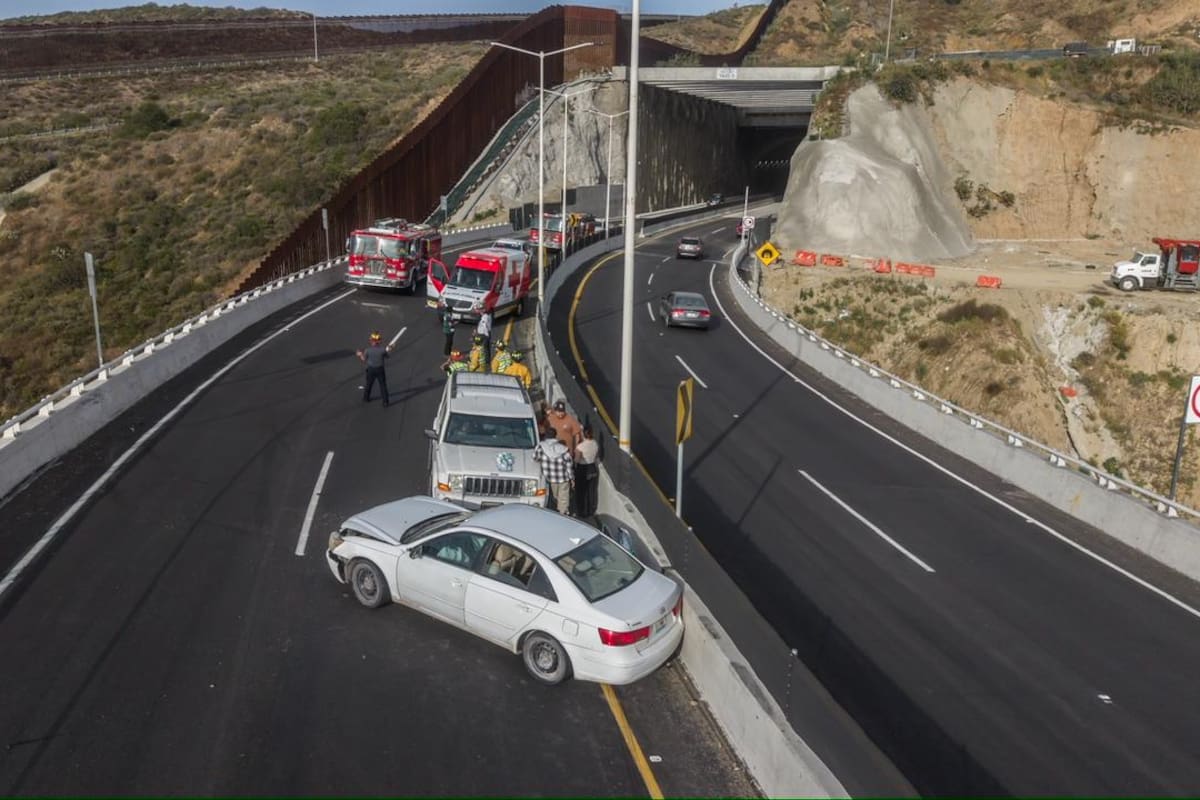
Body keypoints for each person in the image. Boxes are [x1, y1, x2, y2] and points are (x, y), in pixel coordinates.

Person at [533, 428, 574, 515]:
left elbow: (535, 458)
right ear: (555, 436)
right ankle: (563, 514)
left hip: (548, 478)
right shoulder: (564, 449)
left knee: (551, 497)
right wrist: (572, 478)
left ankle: (552, 513)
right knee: (563, 498)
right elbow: (569, 466)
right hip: (563, 478)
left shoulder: (540, 447)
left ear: (546, 436)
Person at [357, 331, 393, 406]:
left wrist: (360, 355)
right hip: (380, 369)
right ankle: (385, 402)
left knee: (369, 384)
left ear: (372, 341)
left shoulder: (367, 350)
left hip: (371, 370)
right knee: (383, 386)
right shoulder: (382, 350)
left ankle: (366, 398)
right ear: (379, 341)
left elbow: (364, 359)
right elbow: (387, 356)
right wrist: (389, 350)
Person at [574, 425, 599, 519]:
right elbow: (596, 456)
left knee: (581, 491)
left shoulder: (580, 447)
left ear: (583, 434)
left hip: (582, 469)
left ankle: (582, 511)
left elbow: (576, 460)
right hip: (592, 467)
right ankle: (591, 510)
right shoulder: (595, 443)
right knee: (591, 490)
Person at [474, 304, 493, 369]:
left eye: (480, 309)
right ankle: (485, 361)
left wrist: (486, 335)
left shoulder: (485, 317)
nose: (478, 310)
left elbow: (485, 326)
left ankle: (486, 362)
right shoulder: (484, 316)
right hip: (483, 334)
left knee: (484, 348)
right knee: (485, 348)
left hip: (484, 334)